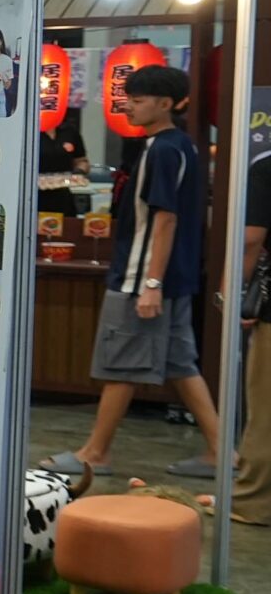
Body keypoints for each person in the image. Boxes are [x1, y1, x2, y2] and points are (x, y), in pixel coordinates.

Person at [47, 65, 221, 483]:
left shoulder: (162, 150)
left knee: (121, 363)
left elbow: (164, 219)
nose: (128, 106)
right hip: (173, 278)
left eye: (138, 100)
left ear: (166, 104)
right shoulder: (182, 146)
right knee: (181, 363)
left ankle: (96, 453)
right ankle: (221, 451)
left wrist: (150, 284)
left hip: (142, 278)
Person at [228, 152, 271, 527]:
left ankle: (252, 502)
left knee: (265, 411)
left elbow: (251, 239)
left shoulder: (266, 166)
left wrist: (233, 292)